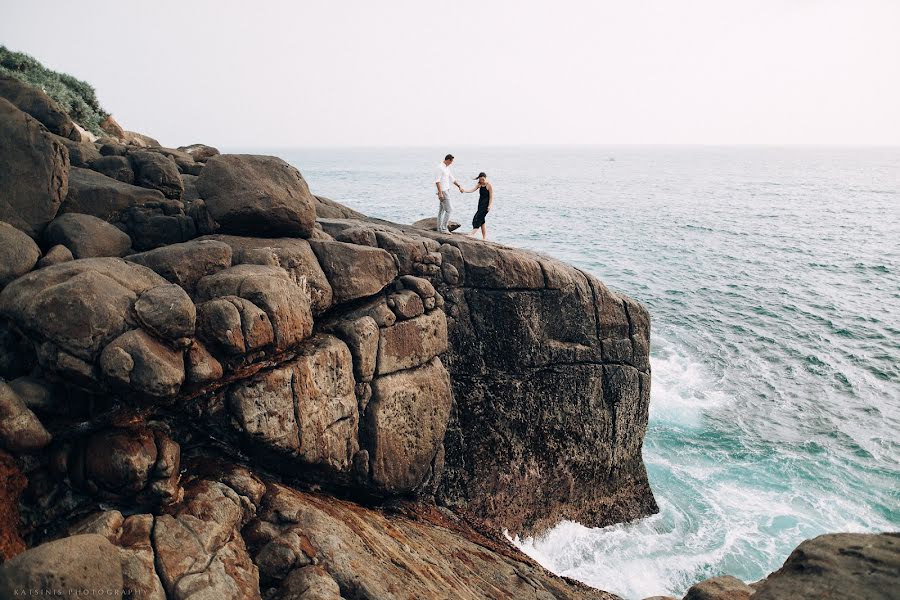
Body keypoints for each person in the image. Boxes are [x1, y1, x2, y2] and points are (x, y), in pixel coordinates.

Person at [460, 172, 493, 239]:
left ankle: (472, 233)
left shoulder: (489, 185)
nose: (482, 181)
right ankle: (484, 238)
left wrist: (489, 206)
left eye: (483, 179)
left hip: (486, 206)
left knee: (477, 219)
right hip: (480, 204)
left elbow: (491, 197)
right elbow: (472, 190)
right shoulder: (479, 184)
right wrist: (465, 190)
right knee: (482, 221)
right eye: (480, 179)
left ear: (485, 178)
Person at [434, 154, 462, 233]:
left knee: (442, 210)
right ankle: (443, 228)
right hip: (443, 191)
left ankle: (439, 228)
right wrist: (440, 193)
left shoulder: (447, 168)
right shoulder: (440, 168)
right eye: (451, 161)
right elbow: (437, 181)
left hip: (446, 190)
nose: (452, 163)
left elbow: (452, 179)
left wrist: (459, 186)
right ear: (448, 160)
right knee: (449, 210)